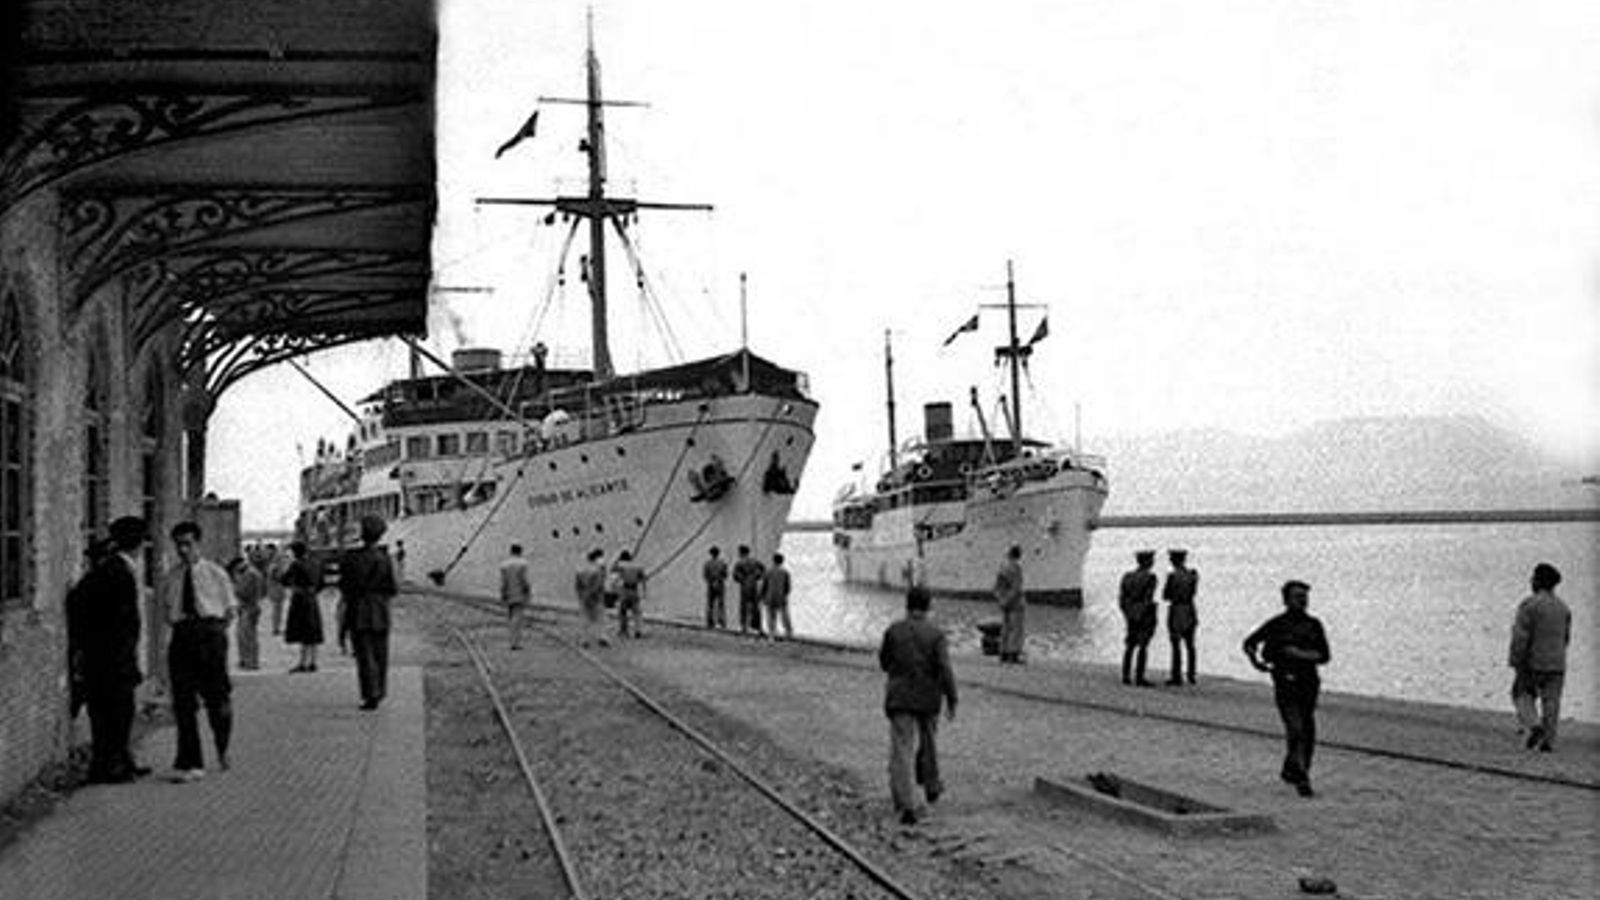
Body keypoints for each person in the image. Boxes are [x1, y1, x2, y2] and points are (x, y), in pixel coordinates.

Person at [73, 517, 152, 784]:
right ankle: (109, 767)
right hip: (111, 659)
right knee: (112, 714)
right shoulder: (117, 571)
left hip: (111, 657)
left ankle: (120, 762)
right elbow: (116, 621)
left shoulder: (115, 568)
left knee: (119, 712)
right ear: (140, 544)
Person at [1242, 580, 1331, 798]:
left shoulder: (1314, 625)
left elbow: (1324, 655)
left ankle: (1294, 769)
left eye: (1304, 596)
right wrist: (1257, 663)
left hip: (1309, 683)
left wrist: (1299, 654)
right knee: (1295, 727)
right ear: (1286, 600)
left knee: (1307, 730)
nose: (1302, 600)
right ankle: (1301, 777)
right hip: (1285, 682)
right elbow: (1249, 643)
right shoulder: (1277, 624)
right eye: (1297, 596)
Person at [164, 520, 237, 781]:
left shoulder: (216, 573)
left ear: (198, 543)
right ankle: (190, 762)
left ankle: (222, 746)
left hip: (210, 636)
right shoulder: (172, 577)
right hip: (183, 637)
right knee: (183, 702)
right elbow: (168, 612)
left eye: (188, 544)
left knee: (217, 700)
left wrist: (214, 633)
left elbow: (230, 610)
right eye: (179, 545)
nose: (183, 550)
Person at [878, 585, 958, 826]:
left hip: (900, 697)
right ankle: (932, 785)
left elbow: (884, 662)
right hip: (928, 697)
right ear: (928, 606)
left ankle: (906, 804)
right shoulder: (936, 635)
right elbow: (945, 668)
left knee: (901, 749)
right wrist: (952, 698)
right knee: (929, 744)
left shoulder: (894, 630)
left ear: (907, 605)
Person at [1508, 562, 1571, 752]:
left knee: (1520, 693)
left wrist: (1516, 660)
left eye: (1533, 578)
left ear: (1537, 581)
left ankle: (1535, 726)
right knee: (1551, 701)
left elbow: (1521, 636)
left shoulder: (1529, 605)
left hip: (1533, 661)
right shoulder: (1563, 608)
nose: (1531, 581)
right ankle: (1549, 741)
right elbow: (1566, 637)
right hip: (1557, 662)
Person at [341, 514, 398, 710]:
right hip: (380, 610)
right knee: (381, 654)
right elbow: (392, 588)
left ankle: (370, 694)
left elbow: (346, 587)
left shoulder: (351, 558)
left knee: (364, 655)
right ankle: (380, 691)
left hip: (359, 610)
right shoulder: (384, 558)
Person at [280, 541, 324, 673]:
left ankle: (303, 662)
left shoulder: (296, 564)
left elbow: (284, 580)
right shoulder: (316, 563)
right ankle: (313, 661)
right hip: (312, 598)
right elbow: (322, 582)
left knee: (303, 631)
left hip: (300, 598)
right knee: (314, 630)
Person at [1119, 550, 1159, 686]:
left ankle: (1125, 675)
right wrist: (1141, 613)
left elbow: (1122, 598)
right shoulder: (1151, 578)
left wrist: (1128, 613)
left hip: (1130, 614)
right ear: (1148, 562)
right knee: (1143, 646)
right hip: (1144, 615)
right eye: (1151, 560)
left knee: (1129, 646)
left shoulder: (1127, 576)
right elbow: (1148, 598)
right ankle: (1139, 677)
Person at [1162, 549, 1200, 686]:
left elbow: (1166, 595)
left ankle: (1176, 675)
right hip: (1189, 609)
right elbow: (1193, 592)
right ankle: (1191, 674)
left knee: (1176, 645)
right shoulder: (1192, 575)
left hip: (1177, 609)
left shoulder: (1172, 576)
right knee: (1190, 645)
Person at [229, 556, 267, 671]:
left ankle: (250, 662)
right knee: (246, 635)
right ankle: (247, 660)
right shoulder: (255, 572)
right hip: (252, 606)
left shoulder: (249, 574)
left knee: (247, 636)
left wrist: (235, 583)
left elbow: (242, 592)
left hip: (248, 607)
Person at [993, 545, 1025, 664]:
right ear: (1018, 555)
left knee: (1005, 628)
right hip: (1015, 602)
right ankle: (1013, 654)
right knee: (1016, 629)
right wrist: (1010, 599)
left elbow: (996, 587)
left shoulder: (1002, 567)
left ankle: (1003, 652)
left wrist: (1001, 600)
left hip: (1004, 601)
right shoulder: (1016, 568)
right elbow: (1017, 587)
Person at [574, 548, 610, 647]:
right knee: (601, 617)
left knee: (584, 618)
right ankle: (603, 637)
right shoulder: (598, 569)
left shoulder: (580, 569)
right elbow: (599, 584)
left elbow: (577, 585)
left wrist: (581, 596)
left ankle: (584, 639)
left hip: (584, 595)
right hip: (596, 596)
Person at [500, 543, 532, 650]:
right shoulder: (523, 564)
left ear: (511, 551)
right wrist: (528, 591)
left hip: (508, 593)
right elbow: (524, 580)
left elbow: (504, 582)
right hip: (519, 593)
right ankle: (515, 642)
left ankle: (511, 640)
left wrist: (503, 593)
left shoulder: (504, 565)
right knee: (518, 618)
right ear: (520, 552)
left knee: (510, 617)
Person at [612, 550, 647, 639]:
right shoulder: (638, 567)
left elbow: (612, 569)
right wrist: (644, 592)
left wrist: (617, 560)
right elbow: (643, 579)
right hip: (634, 591)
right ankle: (638, 631)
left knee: (622, 611)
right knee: (637, 612)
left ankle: (624, 630)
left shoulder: (621, 566)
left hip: (625, 591)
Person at [732, 545, 766, 637]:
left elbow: (735, 575)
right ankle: (757, 627)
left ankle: (743, 627)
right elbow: (763, 569)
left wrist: (741, 579)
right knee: (755, 607)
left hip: (744, 586)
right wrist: (758, 576)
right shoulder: (755, 561)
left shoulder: (739, 563)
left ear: (741, 552)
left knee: (744, 607)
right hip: (754, 585)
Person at [762, 552, 794, 640]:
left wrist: (762, 595)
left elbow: (765, 585)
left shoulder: (768, 571)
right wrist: (785, 594)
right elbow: (788, 587)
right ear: (782, 561)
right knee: (784, 615)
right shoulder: (785, 573)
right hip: (781, 596)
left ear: (773, 561)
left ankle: (771, 634)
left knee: (771, 616)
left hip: (770, 596)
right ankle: (788, 632)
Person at [263, 544, 288, 635]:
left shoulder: (274, 561)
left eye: (268, 550)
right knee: (277, 609)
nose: (266, 552)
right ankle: (276, 628)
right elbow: (277, 575)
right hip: (276, 587)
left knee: (277, 609)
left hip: (276, 587)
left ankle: (276, 628)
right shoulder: (273, 562)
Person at [702, 545, 729, 629]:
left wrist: (712, 581)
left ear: (711, 554)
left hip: (710, 584)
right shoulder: (723, 563)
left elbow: (705, 575)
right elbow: (725, 575)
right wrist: (718, 580)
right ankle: (721, 622)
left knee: (710, 604)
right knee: (721, 604)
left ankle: (710, 622)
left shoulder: (707, 564)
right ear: (718, 553)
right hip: (720, 584)